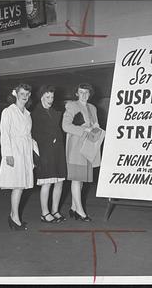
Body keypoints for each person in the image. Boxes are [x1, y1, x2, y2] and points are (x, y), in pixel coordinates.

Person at [62, 83, 102, 222]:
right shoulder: (72, 106)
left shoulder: (93, 108)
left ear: (90, 94)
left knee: (82, 180)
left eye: (86, 92)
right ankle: (80, 211)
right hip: (76, 146)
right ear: (76, 94)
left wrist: (96, 129)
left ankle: (73, 207)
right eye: (81, 92)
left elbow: (95, 125)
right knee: (76, 178)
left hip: (88, 146)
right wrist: (83, 130)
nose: (84, 95)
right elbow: (65, 126)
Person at [0, 83, 33, 231]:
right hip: (14, 150)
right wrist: (7, 154)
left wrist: (31, 156)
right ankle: (15, 218)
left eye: (27, 94)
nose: (24, 97)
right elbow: (4, 134)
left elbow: (29, 135)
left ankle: (13, 216)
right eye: (22, 94)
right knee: (18, 186)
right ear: (16, 95)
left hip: (25, 151)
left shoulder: (27, 113)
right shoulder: (8, 111)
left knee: (21, 186)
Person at [31, 85, 67, 223]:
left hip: (57, 151)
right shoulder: (35, 113)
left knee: (59, 182)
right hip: (45, 152)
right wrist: (48, 139)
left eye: (52, 97)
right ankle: (44, 213)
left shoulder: (54, 111)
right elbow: (34, 133)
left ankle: (55, 210)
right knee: (47, 183)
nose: (50, 99)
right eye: (47, 97)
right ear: (41, 97)